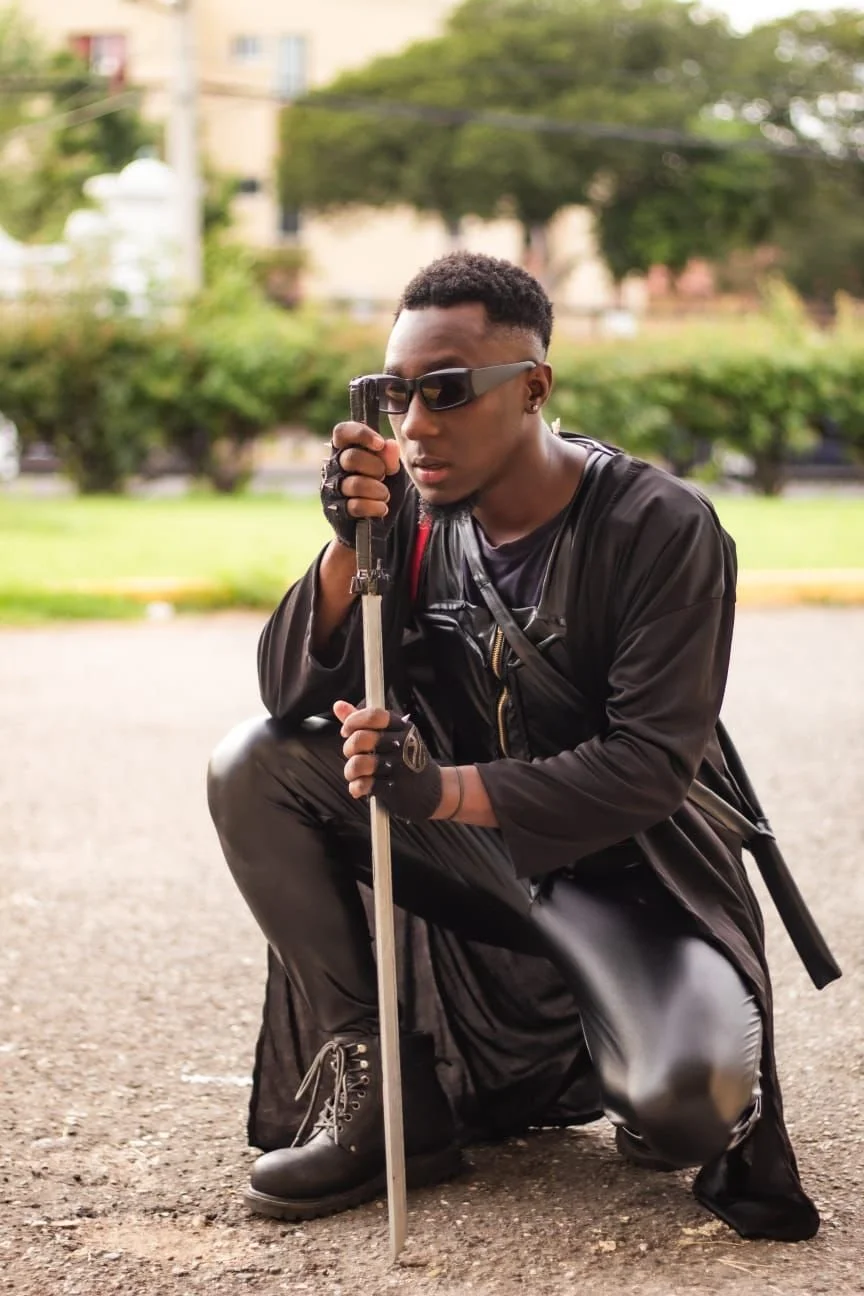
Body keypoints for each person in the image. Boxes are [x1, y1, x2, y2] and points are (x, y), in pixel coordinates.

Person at [207, 251, 823, 1241]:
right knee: (255, 765)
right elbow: (289, 696)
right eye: (396, 394)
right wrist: (341, 549)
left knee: (689, 1106)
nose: (415, 426)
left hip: (636, 881)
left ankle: (625, 1045)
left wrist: (442, 790)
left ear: (534, 387)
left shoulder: (661, 527)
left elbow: (650, 768)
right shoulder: (409, 511)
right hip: (486, 865)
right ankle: (388, 1100)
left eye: (446, 391)